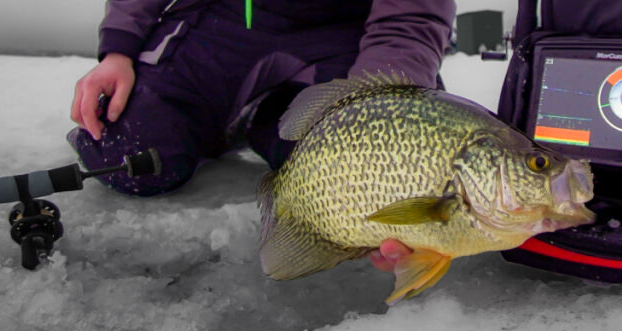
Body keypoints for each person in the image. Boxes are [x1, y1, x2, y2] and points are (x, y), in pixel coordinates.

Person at [68, 0, 455, 272]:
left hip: (343, 36)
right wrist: (118, 51)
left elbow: (410, 18)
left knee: (352, 177)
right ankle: (216, 122)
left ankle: (270, 120)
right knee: (128, 151)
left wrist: (381, 117)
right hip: (224, 20)